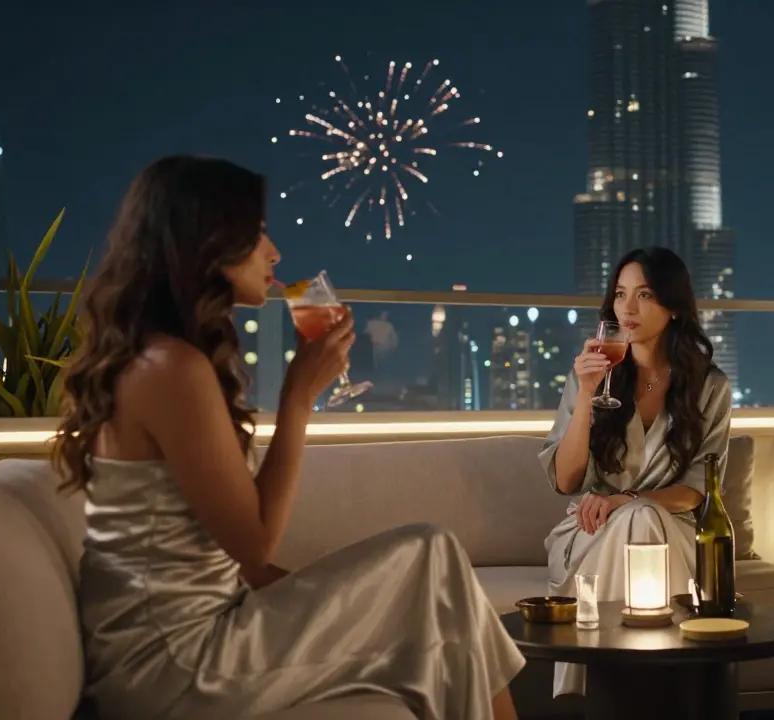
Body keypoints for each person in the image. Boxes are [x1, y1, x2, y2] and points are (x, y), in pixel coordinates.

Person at [54, 155, 524, 720]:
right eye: (256, 235)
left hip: (203, 630)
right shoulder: (170, 369)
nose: (274, 252)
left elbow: (242, 563)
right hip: (176, 664)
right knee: (432, 555)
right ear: (210, 243)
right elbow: (255, 546)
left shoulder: (169, 359)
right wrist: (299, 397)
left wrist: (340, 596)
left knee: (433, 565)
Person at [540, 247, 733, 696]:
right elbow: (566, 481)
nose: (626, 308)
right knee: (634, 519)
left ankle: (603, 692)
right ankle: (661, 692)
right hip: (592, 528)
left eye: (644, 295)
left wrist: (629, 501)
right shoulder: (590, 374)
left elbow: (699, 490)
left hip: (673, 529)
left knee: (641, 518)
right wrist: (587, 393)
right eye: (620, 294)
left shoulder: (710, 387)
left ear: (672, 308)